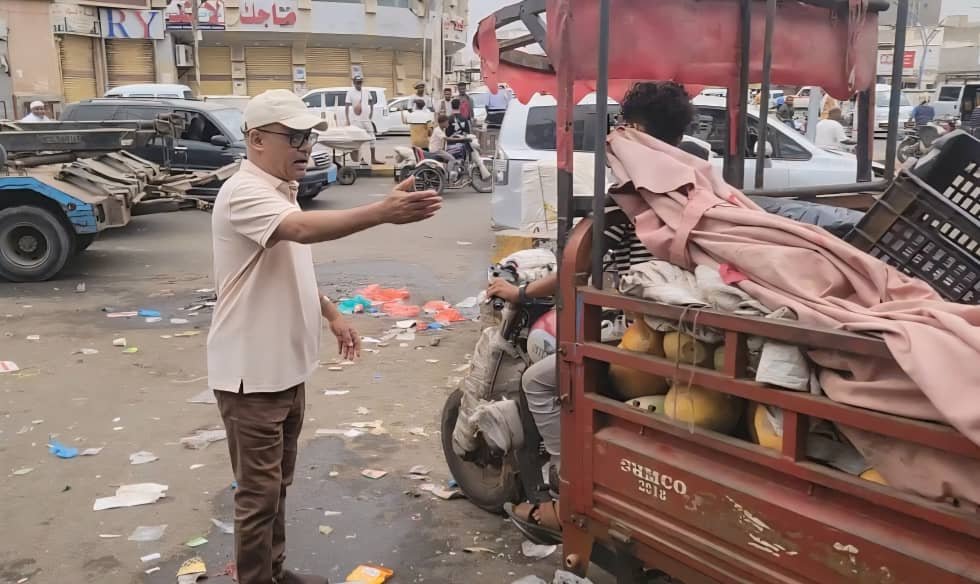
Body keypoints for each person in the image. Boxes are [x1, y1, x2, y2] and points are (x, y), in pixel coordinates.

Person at [208, 89, 441, 584]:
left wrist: (333, 314)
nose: (305, 147)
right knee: (258, 497)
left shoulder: (278, 190)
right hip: (251, 376)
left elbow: (290, 263)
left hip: (285, 370)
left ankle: (273, 569)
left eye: (308, 137)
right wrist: (381, 212)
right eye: (292, 137)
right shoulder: (245, 191)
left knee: (277, 487)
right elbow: (303, 232)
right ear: (255, 140)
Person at [498, 80, 704, 543]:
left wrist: (520, 291)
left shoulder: (633, 193)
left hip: (649, 333)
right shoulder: (692, 176)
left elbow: (582, 264)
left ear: (633, 131)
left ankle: (565, 491)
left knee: (539, 380)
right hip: (680, 322)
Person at [345, 74, 383, 165]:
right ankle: (361, 159)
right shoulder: (350, 92)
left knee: (372, 138)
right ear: (354, 83)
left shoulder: (366, 91)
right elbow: (346, 106)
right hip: (356, 120)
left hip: (366, 119)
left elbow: (371, 102)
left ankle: (373, 159)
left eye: (360, 82)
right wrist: (347, 120)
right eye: (357, 82)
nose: (359, 84)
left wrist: (371, 113)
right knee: (358, 140)